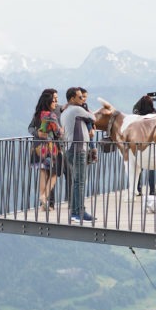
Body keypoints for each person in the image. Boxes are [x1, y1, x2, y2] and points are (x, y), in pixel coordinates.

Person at [60, 86, 96, 224]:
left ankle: (75, 213)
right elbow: (93, 117)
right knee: (80, 182)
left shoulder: (65, 112)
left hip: (70, 149)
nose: (83, 99)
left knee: (76, 181)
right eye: (80, 97)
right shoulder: (76, 110)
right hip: (78, 149)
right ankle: (80, 211)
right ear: (72, 99)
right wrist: (86, 109)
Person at [28, 88, 62, 212]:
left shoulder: (37, 114)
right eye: (54, 101)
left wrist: (37, 133)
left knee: (43, 172)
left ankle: (43, 205)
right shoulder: (52, 116)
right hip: (49, 148)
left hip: (37, 147)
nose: (55, 104)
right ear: (48, 102)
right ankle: (43, 196)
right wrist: (62, 131)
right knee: (54, 173)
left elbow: (30, 128)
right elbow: (58, 132)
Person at [132, 92, 156, 196]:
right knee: (152, 168)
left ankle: (138, 189)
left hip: (139, 144)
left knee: (139, 167)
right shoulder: (155, 115)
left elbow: (134, 108)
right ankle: (152, 189)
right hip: (152, 144)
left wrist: (142, 98)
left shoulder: (137, 116)